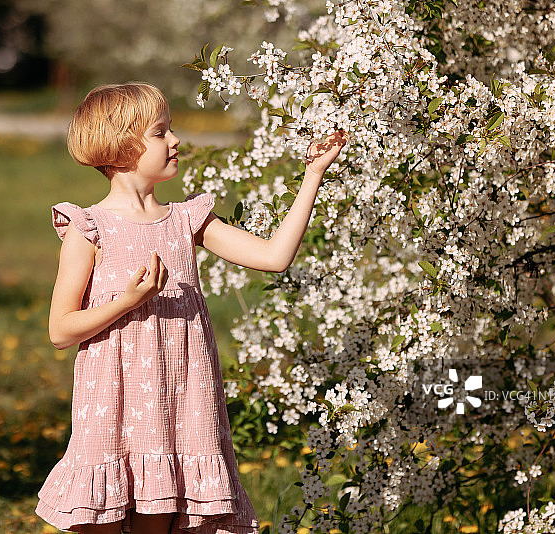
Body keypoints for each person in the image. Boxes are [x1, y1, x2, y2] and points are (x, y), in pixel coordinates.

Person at [35, 82, 346, 534]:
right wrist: (128, 301)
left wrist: (313, 174)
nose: (176, 140)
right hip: (112, 409)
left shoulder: (187, 220)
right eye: (160, 132)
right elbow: (61, 330)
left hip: (180, 410)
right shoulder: (90, 228)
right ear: (122, 145)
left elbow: (274, 257)